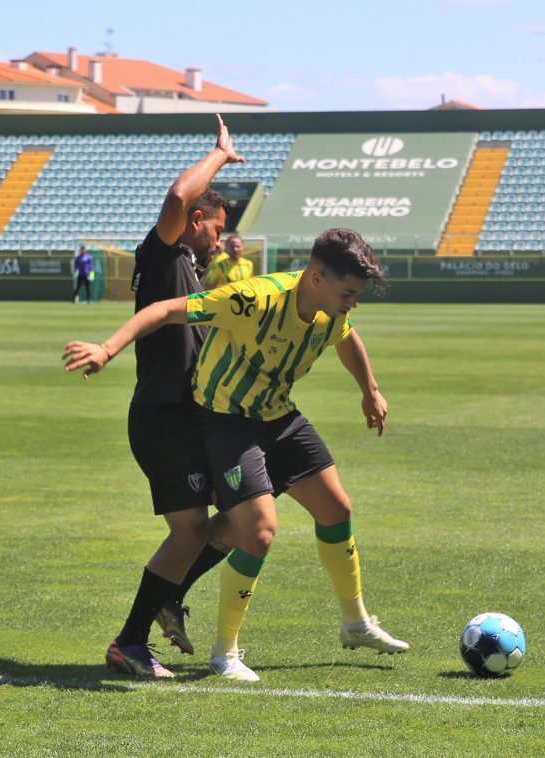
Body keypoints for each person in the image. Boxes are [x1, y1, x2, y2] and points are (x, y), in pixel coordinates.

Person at [64, 227, 409, 683]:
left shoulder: (331, 310)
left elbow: (347, 338)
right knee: (258, 531)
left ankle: (355, 623)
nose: (353, 302)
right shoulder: (253, 299)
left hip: (278, 416)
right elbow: (165, 309)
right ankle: (224, 653)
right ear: (317, 278)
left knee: (335, 508)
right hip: (226, 422)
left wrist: (371, 390)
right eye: (348, 292)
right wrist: (108, 348)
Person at [65, 115, 241, 680]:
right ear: (194, 222)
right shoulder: (163, 255)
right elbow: (176, 193)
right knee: (190, 531)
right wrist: (219, 154)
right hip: (164, 417)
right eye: (216, 227)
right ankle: (130, 643)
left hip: (195, 417)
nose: (221, 237)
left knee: (241, 521)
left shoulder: (190, 269)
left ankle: (167, 598)